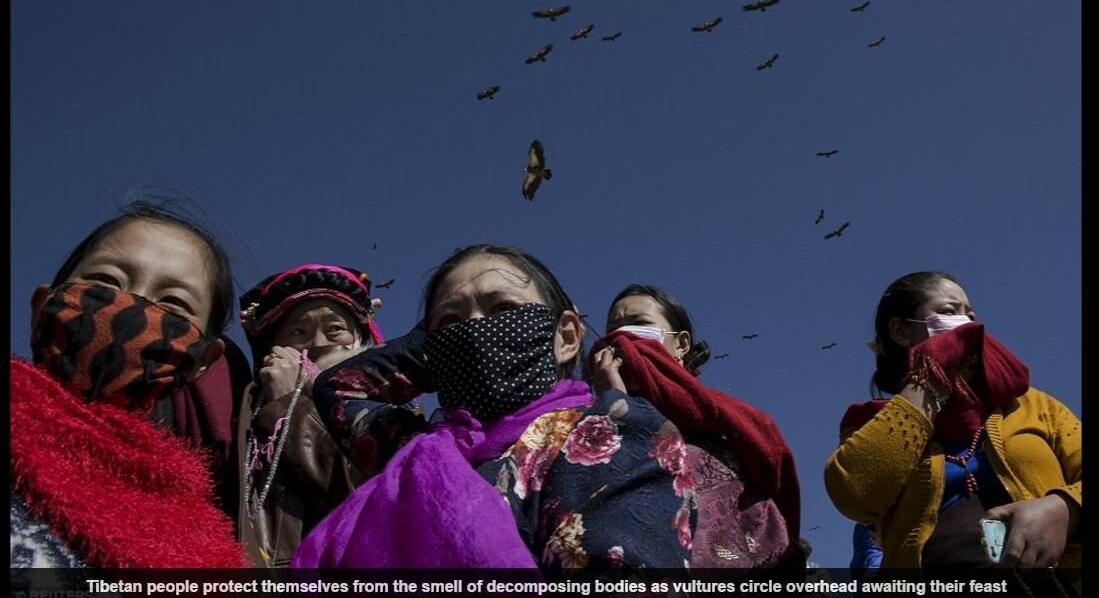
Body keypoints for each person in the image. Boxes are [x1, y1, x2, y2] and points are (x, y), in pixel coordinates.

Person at [296, 244, 696, 569]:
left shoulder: (608, 435)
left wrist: (450, 325)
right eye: (451, 324)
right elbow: (338, 388)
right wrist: (436, 347)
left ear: (567, 337)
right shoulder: (411, 451)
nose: (474, 331)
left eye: (503, 310)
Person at [10, 201, 247, 567]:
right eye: (106, 281)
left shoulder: (203, 546)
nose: (132, 306)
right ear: (42, 306)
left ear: (203, 361)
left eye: (173, 302)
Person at [824, 272, 1081, 574]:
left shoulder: (1033, 405)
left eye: (970, 315)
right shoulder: (872, 422)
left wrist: (1064, 508)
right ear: (901, 331)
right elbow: (855, 495)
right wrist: (930, 378)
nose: (967, 323)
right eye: (949, 311)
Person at [588, 284, 803, 570]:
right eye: (613, 329)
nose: (623, 337)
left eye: (639, 324)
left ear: (682, 344)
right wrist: (613, 409)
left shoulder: (731, 421)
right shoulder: (582, 423)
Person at [235, 264, 386, 567]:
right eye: (299, 332)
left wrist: (288, 404)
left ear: (360, 339)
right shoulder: (245, 405)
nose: (318, 343)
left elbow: (369, 501)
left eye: (335, 329)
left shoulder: (388, 409)